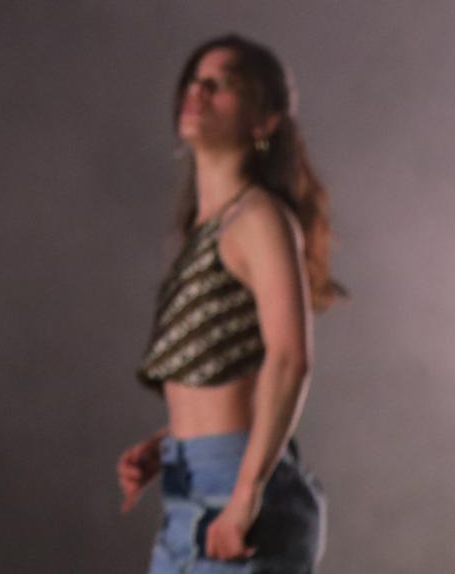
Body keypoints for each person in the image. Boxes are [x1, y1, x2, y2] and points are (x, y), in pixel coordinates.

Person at [116, 36, 342, 572]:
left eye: (223, 84)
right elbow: (236, 371)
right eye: (196, 81)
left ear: (265, 121)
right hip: (190, 489)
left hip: (237, 490)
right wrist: (168, 442)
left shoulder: (258, 217)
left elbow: (289, 359)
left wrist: (245, 496)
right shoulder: (206, 229)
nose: (199, 91)